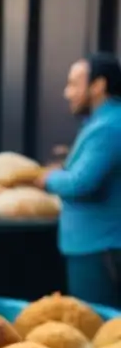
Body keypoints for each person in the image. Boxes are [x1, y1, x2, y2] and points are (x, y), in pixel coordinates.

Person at [35, 53, 121, 306]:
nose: (67, 92)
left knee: (101, 326)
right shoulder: (103, 122)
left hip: (99, 248)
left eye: (74, 83)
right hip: (97, 246)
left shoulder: (108, 126)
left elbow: (82, 183)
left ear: (99, 85)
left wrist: (49, 179)